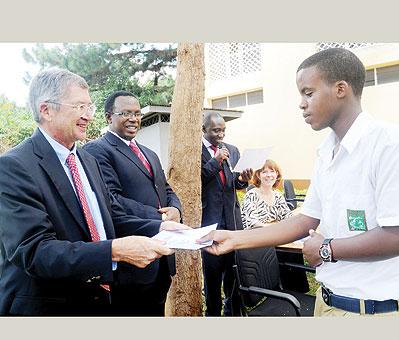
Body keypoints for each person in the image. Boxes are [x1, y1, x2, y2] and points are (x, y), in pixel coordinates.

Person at [199, 48, 399, 317]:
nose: (301, 103)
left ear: (340, 89)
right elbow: (305, 222)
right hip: (326, 304)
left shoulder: (391, 145)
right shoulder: (326, 151)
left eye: (308, 93)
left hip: (372, 312)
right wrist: (234, 238)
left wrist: (326, 249)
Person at [0, 68, 189, 316]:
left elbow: (108, 216)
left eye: (89, 107)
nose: (88, 116)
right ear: (46, 110)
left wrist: (158, 227)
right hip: (47, 307)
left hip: (99, 301)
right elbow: (35, 251)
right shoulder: (14, 166)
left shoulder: (86, 160)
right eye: (79, 107)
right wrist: (115, 250)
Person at [83, 90, 182, 316]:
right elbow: (111, 200)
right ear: (109, 117)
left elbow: (165, 188)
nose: (134, 119)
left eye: (137, 113)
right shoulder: (97, 151)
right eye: (125, 113)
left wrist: (175, 208)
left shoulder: (149, 153)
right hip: (131, 264)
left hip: (162, 260)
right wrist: (161, 217)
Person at [201, 111, 253, 316]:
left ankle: (233, 312)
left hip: (232, 220)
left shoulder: (232, 150)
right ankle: (213, 313)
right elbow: (198, 181)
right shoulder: (195, 152)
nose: (221, 135)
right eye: (216, 130)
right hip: (210, 221)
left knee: (233, 272)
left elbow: (234, 183)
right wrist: (215, 160)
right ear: (204, 130)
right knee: (212, 274)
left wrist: (244, 179)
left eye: (223, 130)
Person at [241, 159, 309, 292]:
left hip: (275, 237)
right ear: (258, 175)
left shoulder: (277, 196)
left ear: (277, 175)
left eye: (272, 171)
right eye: (264, 172)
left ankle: (296, 291)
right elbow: (251, 222)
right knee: (287, 251)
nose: (268, 175)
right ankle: (281, 289)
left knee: (293, 248)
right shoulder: (251, 195)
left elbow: (287, 216)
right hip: (258, 239)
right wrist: (276, 230)